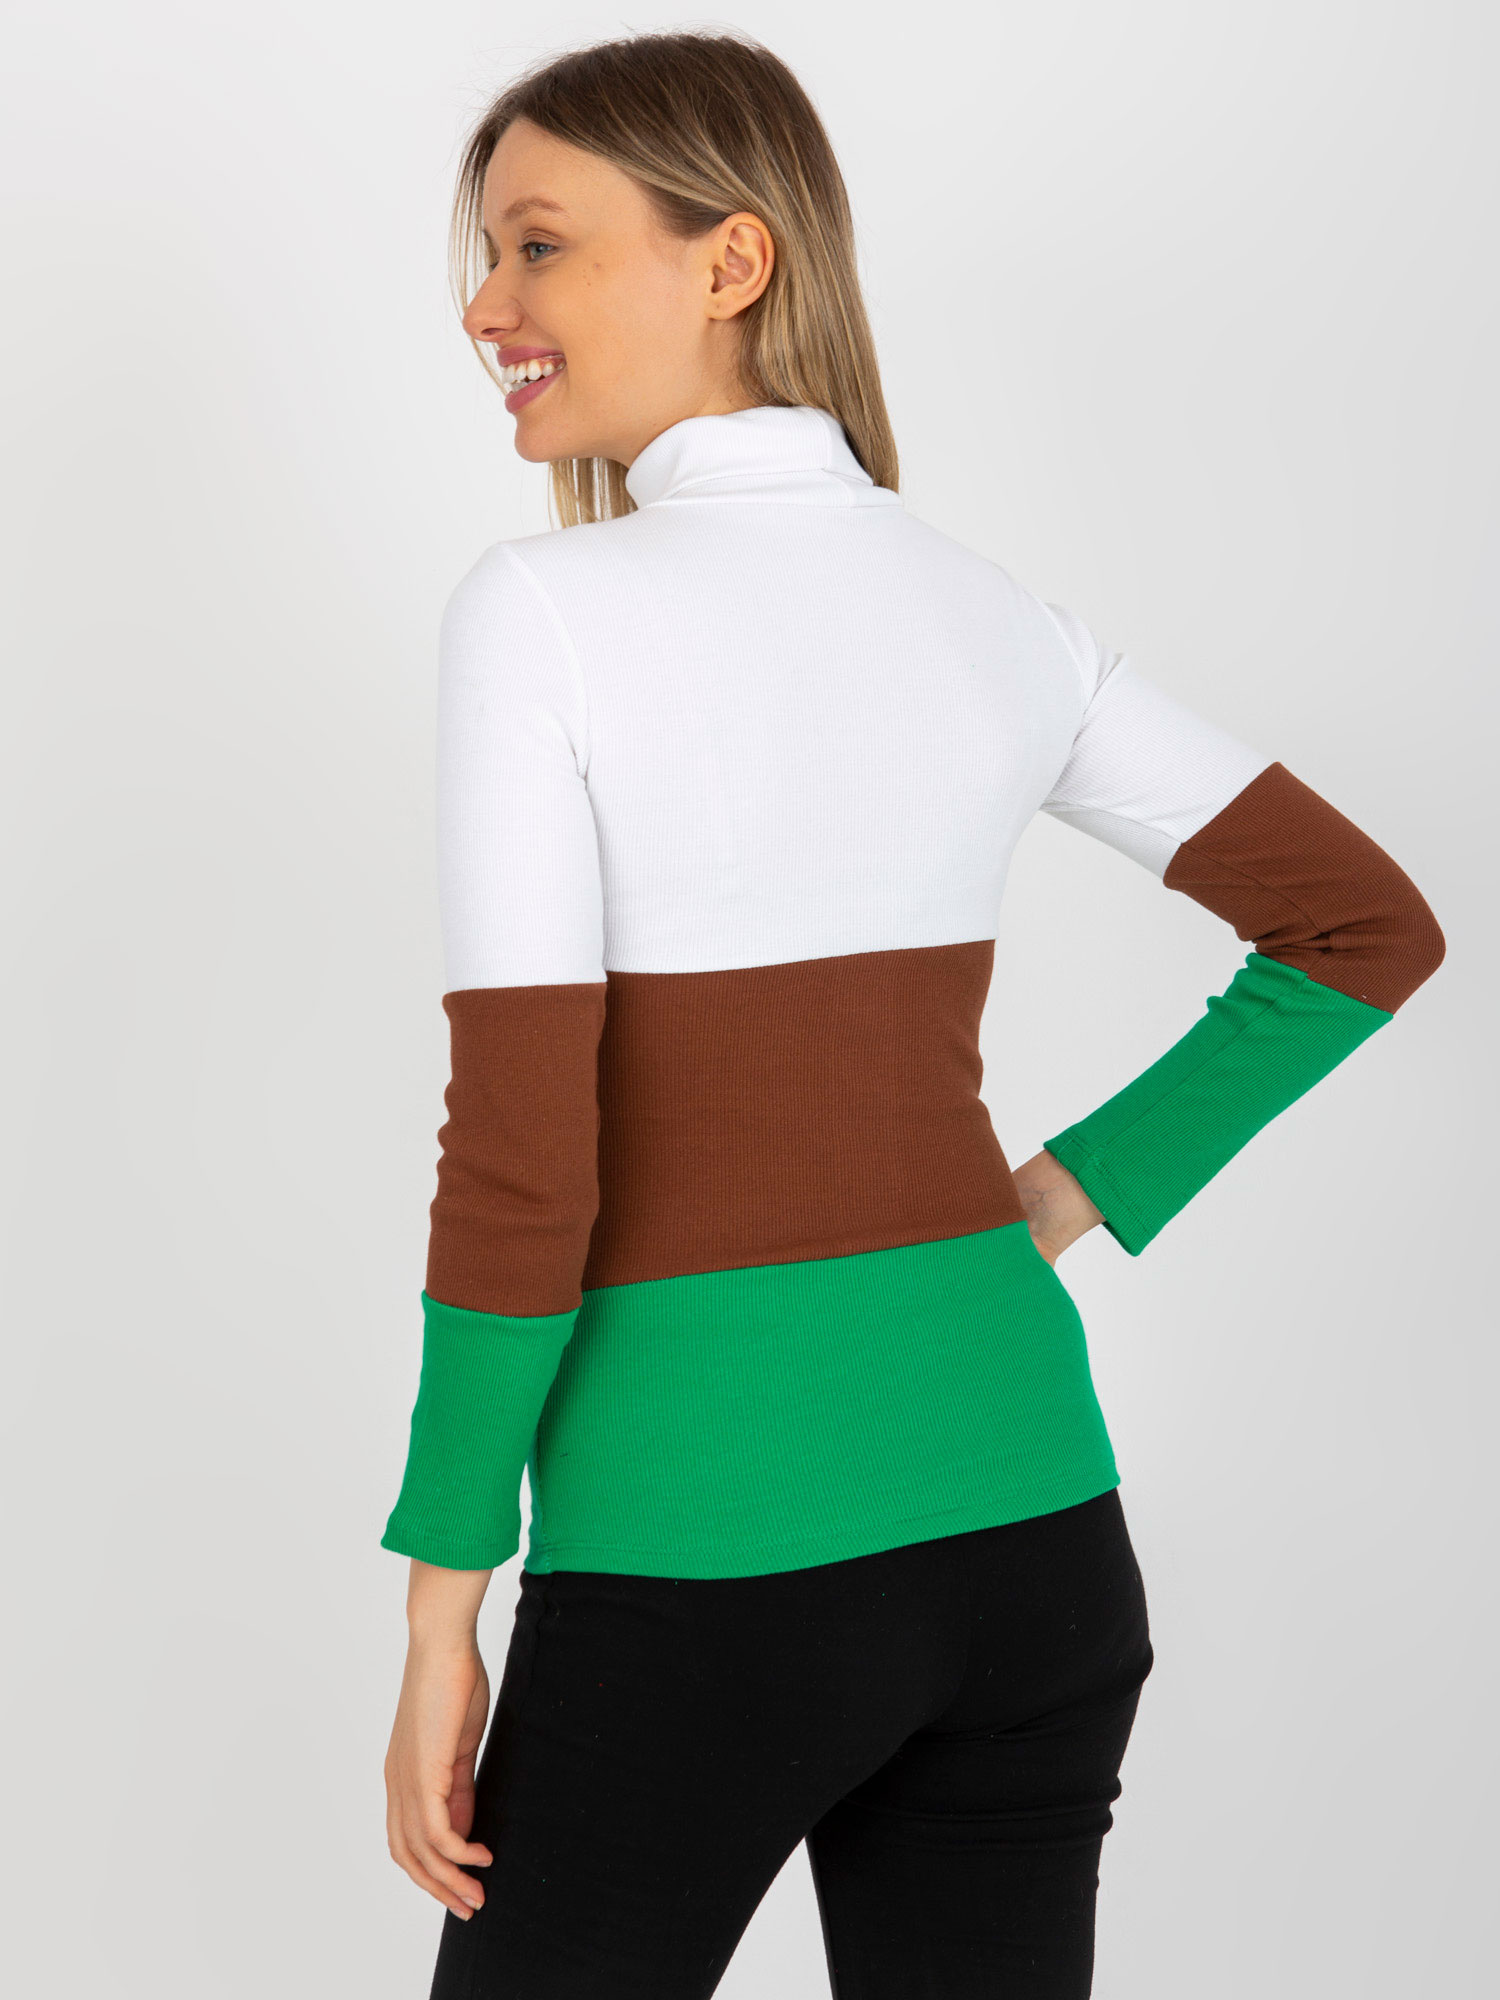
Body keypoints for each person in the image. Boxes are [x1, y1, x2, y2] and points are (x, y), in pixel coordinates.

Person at [379, 29, 1446, 2000]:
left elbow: (526, 1159)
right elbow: (1363, 926)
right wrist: (1060, 1197)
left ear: (733, 260)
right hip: (1033, 1546)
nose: (486, 305)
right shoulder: (996, 619)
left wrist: (447, 1596)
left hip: (704, 1561)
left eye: (537, 245)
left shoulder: (542, 615)